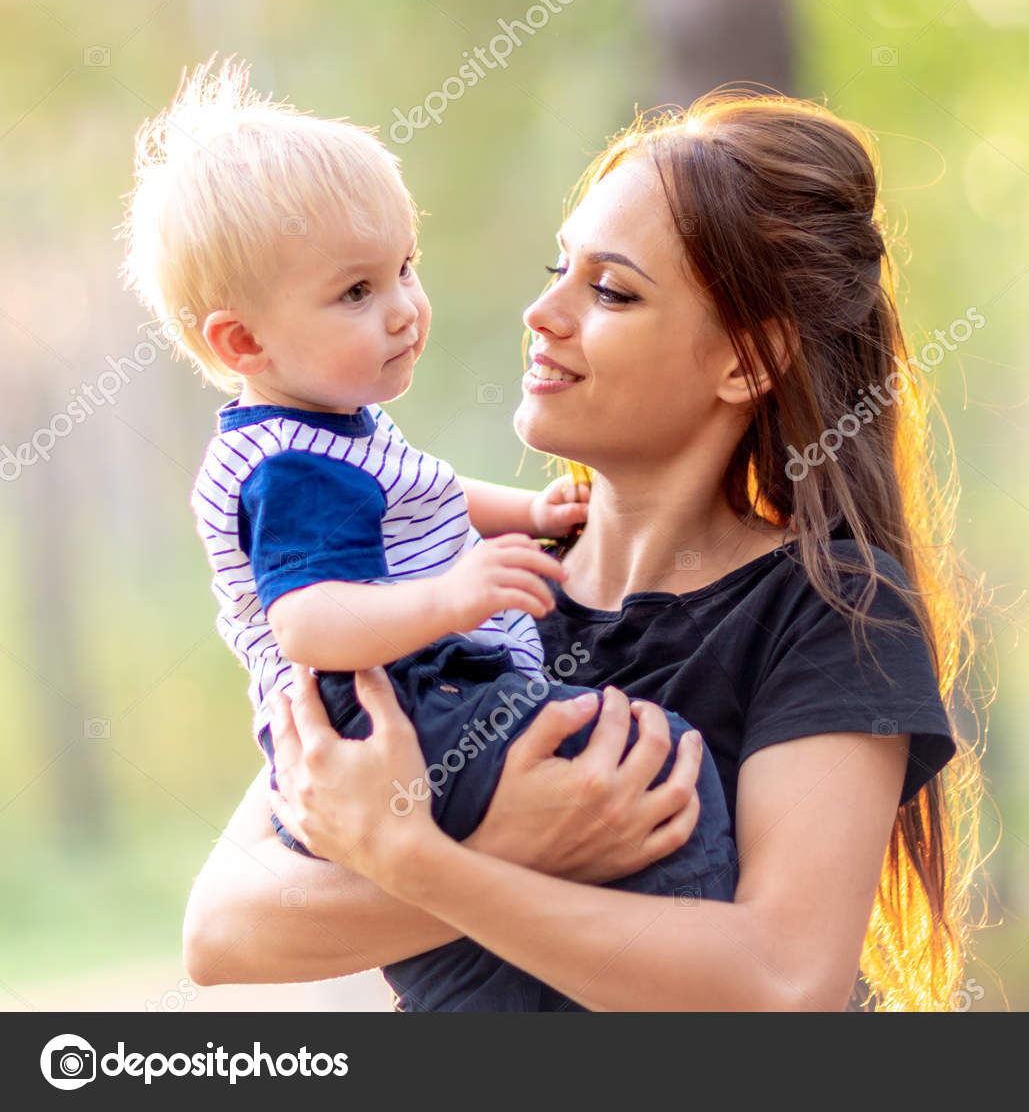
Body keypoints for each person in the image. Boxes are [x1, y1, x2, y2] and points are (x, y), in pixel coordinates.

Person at [184, 90, 986, 1011]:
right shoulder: (459, 585)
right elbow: (223, 930)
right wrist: (516, 847)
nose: (541, 312)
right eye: (557, 267)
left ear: (746, 362)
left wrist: (423, 864)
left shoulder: (830, 606)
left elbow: (783, 981)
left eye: (609, 289)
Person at [121, 58, 739, 1010]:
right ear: (243, 344)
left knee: (481, 949)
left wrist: (528, 513)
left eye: (405, 267)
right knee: (654, 766)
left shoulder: (333, 430)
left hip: (415, 701)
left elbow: (431, 492)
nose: (405, 308)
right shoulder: (294, 471)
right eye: (356, 292)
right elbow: (312, 623)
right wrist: (453, 596)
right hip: (400, 704)